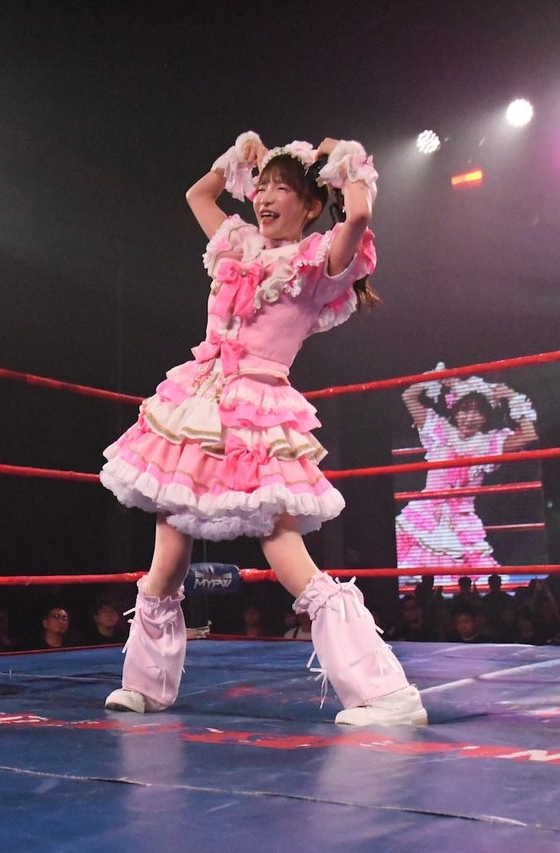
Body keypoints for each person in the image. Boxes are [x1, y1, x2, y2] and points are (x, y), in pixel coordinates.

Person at [99, 132, 425, 726]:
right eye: (263, 187)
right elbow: (198, 195)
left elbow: (359, 213)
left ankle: (385, 693)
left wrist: (343, 157)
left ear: (309, 204)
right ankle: (145, 686)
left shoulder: (316, 261)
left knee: (284, 551)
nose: (266, 197)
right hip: (198, 408)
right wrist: (236, 157)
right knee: (166, 558)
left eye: (282, 189)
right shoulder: (237, 243)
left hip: (256, 413)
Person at [395, 368, 538, 569]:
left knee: (465, 575)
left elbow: (529, 435)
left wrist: (512, 397)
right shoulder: (437, 429)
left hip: (462, 524)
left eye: (479, 412)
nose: (471, 417)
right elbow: (409, 396)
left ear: (486, 417)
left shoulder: (491, 443)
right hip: (423, 517)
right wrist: (435, 378)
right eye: (465, 410)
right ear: (455, 411)